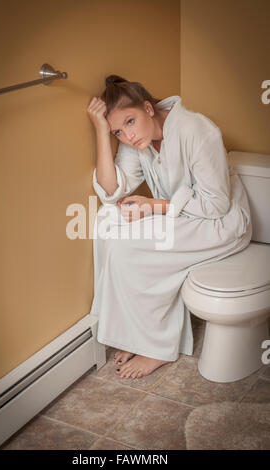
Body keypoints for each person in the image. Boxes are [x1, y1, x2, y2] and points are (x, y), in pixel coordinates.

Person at [87, 75, 252, 380]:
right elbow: (111, 191)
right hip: (184, 216)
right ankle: (134, 335)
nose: (128, 136)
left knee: (131, 247)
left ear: (148, 108)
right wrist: (101, 130)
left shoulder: (197, 130)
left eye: (131, 122)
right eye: (118, 132)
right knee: (108, 224)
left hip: (221, 223)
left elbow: (216, 206)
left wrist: (154, 207)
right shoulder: (139, 141)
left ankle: (156, 347)